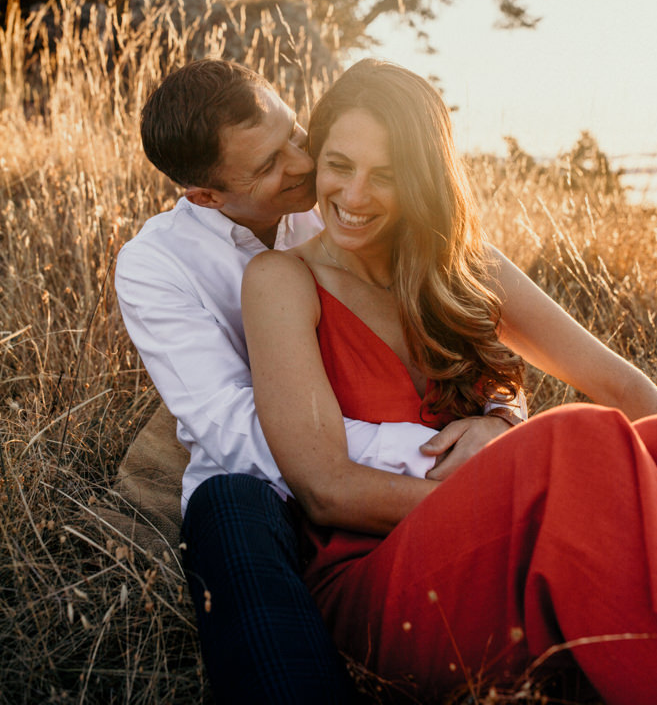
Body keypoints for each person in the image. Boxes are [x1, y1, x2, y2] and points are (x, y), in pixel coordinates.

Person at [241, 58, 657, 705]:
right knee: (580, 439)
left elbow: (629, 392)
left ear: (423, 179)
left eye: (384, 176)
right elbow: (324, 490)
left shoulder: (468, 269)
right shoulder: (281, 281)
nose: (353, 196)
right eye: (338, 165)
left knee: (656, 437)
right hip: (381, 587)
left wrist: (502, 422)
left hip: (495, 553)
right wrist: (504, 493)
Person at [114, 58, 525, 705]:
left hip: (386, 466)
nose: (303, 165)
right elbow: (231, 427)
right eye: (268, 165)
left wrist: (495, 417)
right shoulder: (154, 266)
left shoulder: (343, 201)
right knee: (229, 509)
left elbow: (460, 330)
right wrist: (422, 458)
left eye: (294, 135)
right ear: (206, 195)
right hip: (270, 482)